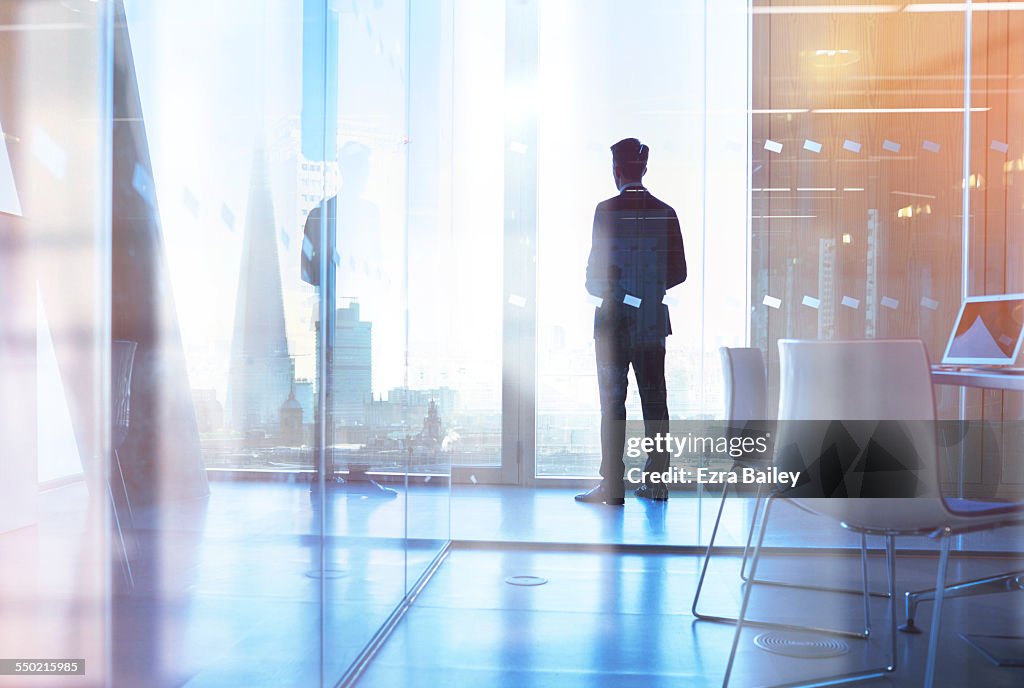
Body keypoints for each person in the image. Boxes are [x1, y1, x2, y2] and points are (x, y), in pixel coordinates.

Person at [575, 138, 687, 506]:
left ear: (617, 171)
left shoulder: (605, 211)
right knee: (655, 403)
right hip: (652, 323)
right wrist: (647, 291)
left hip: (612, 324)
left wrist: (618, 290)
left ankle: (613, 487)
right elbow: (680, 272)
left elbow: (594, 278)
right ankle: (656, 482)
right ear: (643, 169)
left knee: (612, 404)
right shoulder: (666, 212)